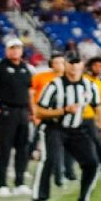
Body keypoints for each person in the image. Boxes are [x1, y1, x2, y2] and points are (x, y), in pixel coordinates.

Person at [33, 53, 101, 201]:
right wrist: (63, 111)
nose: (74, 67)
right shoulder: (54, 85)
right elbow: (39, 112)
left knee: (92, 163)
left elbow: (98, 108)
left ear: (82, 65)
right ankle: (39, 199)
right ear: (65, 65)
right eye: (70, 63)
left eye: (77, 63)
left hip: (77, 128)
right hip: (54, 128)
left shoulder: (90, 86)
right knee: (50, 159)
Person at [0, 38, 36, 196]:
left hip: (22, 112)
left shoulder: (25, 68)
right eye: (12, 48)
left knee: (23, 148)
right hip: (6, 110)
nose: (15, 51)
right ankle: (2, 184)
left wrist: (32, 112)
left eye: (18, 48)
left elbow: (29, 92)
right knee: (5, 148)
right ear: (7, 50)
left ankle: (20, 182)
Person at [31, 53, 69, 188]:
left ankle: (62, 175)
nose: (60, 65)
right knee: (38, 147)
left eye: (62, 62)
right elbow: (31, 95)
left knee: (63, 149)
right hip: (45, 117)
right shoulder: (41, 77)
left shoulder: (70, 79)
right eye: (57, 62)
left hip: (64, 119)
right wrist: (35, 113)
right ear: (51, 64)